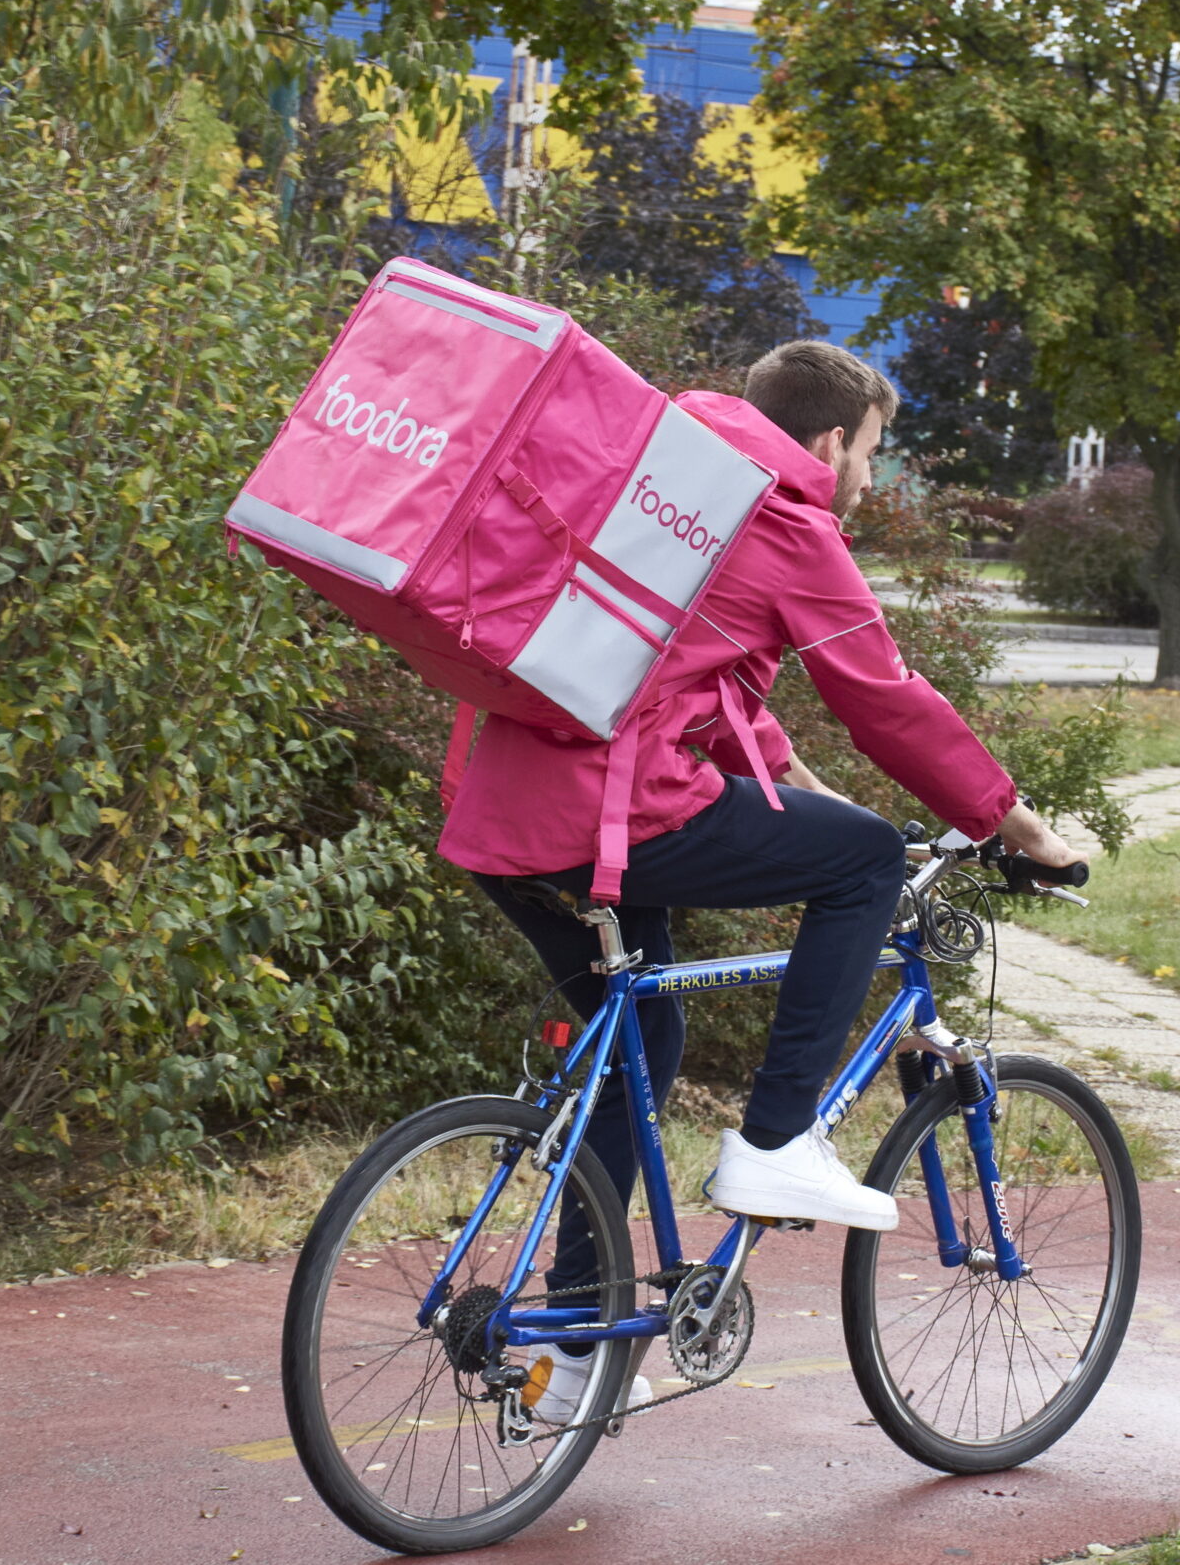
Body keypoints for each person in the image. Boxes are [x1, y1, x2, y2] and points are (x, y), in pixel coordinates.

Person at [438, 340, 1082, 1422]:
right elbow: (887, 694)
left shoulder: (668, 477)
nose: (872, 478)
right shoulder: (787, 517)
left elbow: (698, 675)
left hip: (501, 803)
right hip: (614, 811)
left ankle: (577, 1353)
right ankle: (776, 1141)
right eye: (873, 451)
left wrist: (800, 783)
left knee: (634, 1043)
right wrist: (1015, 823)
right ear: (830, 440)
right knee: (868, 855)